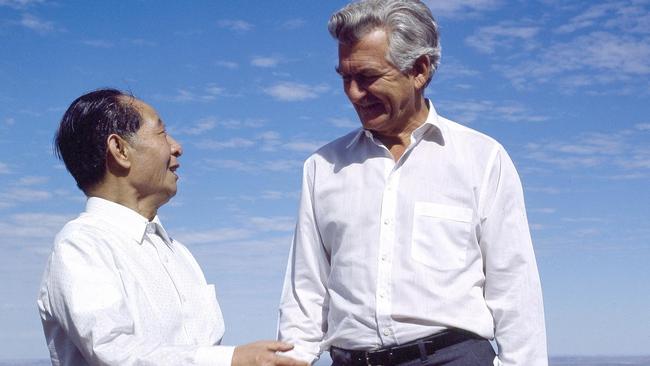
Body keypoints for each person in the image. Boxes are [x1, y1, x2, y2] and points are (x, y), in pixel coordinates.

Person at [277, 1, 548, 365]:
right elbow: (305, 292)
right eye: (345, 78)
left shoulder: (482, 159)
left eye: (368, 77)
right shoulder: (322, 167)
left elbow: (515, 287)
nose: (353, 93)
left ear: (419, 70)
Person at [37, 89, 307, 366]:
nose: (177, 147)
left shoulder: (178, 253)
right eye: (162, 133)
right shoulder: (80, 247)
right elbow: (115, 352)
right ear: (120, 150)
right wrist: (233, 359)